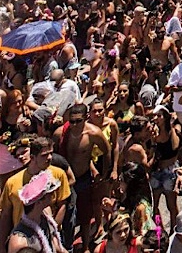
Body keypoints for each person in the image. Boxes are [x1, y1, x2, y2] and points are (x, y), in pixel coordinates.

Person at [53, 101, 111, 252]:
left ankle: (85, 247)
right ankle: (65, 246)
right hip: (65, 180)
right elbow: (52, 156)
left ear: (85, 118)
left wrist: (104, 174)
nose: (74, 125)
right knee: (66, 216)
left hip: (83, 177)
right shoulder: (60, 133)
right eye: (71, 121)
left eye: (78, 121)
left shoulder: (93, 133)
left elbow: (107, 150)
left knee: (85, 215)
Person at [0, 136, 71, 253]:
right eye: (44, 155)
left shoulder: (58, 174)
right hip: (28, 240)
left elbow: (63, 204)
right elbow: (6, 215)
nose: (49, 158)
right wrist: (1, 246)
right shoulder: (12, 182)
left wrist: (53, 230)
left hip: (49, 235)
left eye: (50, 153)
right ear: (32, 158)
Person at [8, 170, 68, 253]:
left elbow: (56, 246)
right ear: (39, 202)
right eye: (49, 194)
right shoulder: (19, 241)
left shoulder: (46, 214)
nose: (53, 195)